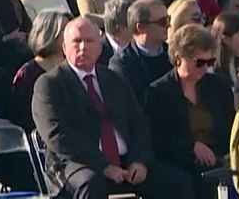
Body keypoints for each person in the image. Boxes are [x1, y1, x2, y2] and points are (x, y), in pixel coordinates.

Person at [32, 17, 191, 199]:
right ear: (64, 48)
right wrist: (103, 166)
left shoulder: (113, 79)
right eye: (76, 41)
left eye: (89, 41)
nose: (83, 47)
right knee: (91, 184)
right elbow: (57, 136)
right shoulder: (49, 84)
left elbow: (138, 121)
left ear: (100, 48)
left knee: (178, 183)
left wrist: (139, 160)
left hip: (126, 161)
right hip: (77, 163)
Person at [144, 25, 235, 199]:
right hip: (182, 164)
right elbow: (158, 141)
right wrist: (191, 146)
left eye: (210, 62)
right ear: (178, 58)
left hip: (218, 159)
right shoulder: (159, 92)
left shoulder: (218, 86)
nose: (205, 68)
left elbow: (230, 125)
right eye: (199, 62)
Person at [11, 9, 71, 121]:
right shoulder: (27, 75)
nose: (71, 35)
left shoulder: (74, 67)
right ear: (48, 33)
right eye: (65, 30)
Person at [109, 0, 172, 104]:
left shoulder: (174, 54)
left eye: (168, 19)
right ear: (140, 27)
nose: (168, 25)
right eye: (162, 22)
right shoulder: (122, 64)